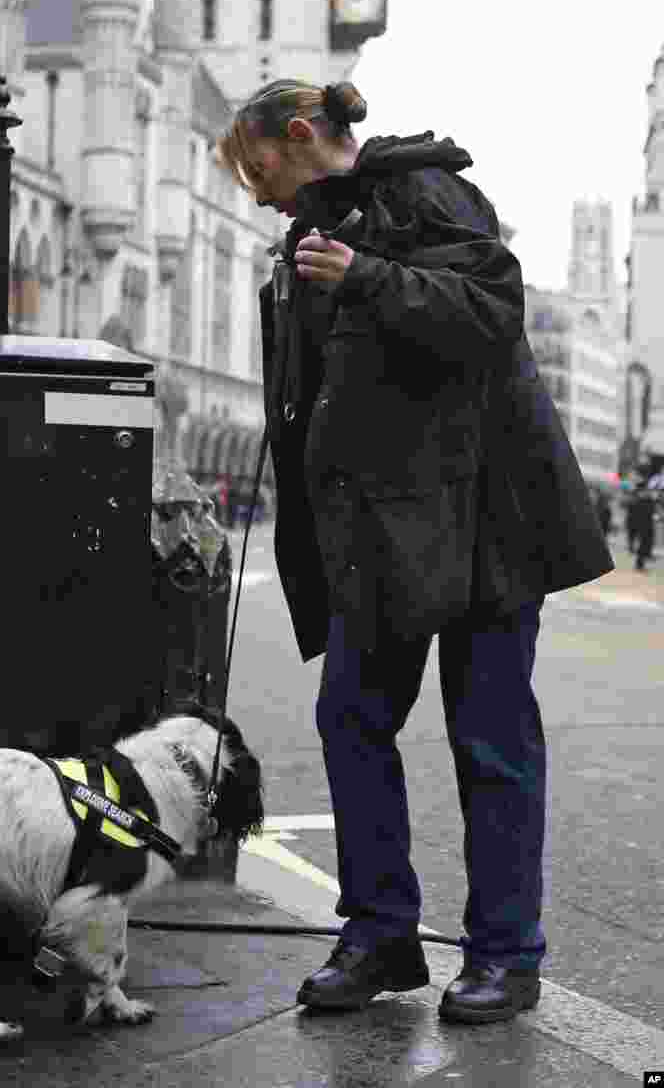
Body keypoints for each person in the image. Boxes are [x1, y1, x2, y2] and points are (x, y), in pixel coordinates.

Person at [218, 80, 613, 1025]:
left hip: (482, 520)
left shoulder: (425, 191)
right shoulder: (311, 228)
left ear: (304, 136)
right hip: (382, 526)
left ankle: (506, 956)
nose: (259, 193)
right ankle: (382, 935)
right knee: (351, 714)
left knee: (490, 739)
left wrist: (366, 277)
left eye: (262, 169)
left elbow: (491, 311)